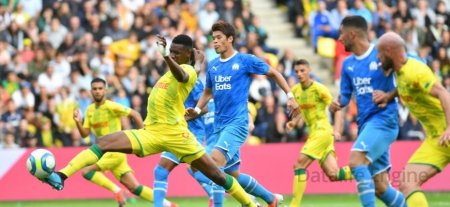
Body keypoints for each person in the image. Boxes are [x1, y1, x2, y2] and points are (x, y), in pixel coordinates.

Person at [39, 34, 259, 207]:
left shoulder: (188, 72)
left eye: (177, 53)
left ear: (187, 55)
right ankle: (61, 175)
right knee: (103, 143)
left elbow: (185, 75)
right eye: (171, 51)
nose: (172, 55)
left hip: (177, 135)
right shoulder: (174, 73)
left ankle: (249, 203)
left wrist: (166, 56)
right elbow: (186, 69)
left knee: (218, 175)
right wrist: (193, 59)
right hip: (151, 132)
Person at [186, 20, 299, 207]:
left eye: (219, 38)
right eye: (213, 38)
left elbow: (275, 73)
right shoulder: (213, 66)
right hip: (219, 127)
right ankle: (271, 200)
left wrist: (290, 96)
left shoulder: (245, 61)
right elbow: (207, 92)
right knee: (233, 175)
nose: (214, 42)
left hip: (237, 125)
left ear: (230, 39)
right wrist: (197, 110)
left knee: (214, 163)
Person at [329, 16, 405, 207]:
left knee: (356, 161)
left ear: (352, 34)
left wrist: (389, 94)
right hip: (366, 127)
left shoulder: (381, 54)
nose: (339, 38)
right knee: (381, 188)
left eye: (341, 33)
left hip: (384, 121)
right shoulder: (347, 64)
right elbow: (345, 96)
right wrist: (336, 103)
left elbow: (409, 72)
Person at [73, 77, 176, 207]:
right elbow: (85, 134)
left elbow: (135, 114)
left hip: (114, 151)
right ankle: (169, 205)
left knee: (86, 171)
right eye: (94, 89)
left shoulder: (111, 106)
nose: (97, 91)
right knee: (134, 187)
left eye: (100, 88)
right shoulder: (89, 110)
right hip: (107, 153)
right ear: (91, 91)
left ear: (105, 90)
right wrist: (77, 122)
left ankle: (118, 191)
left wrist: (143, 135)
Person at [375, 32, 450, 207]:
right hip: (437, 140)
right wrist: (388, 96)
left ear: (389, 51)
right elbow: (404, 87)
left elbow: (443, 93)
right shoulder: (400, 72)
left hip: (447, 131)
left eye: (379, 53)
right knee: (407, 183)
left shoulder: (415, 70)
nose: (378, 58)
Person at [287, 59, 352, 207]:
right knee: (334, 174)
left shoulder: (319, 89)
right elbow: (300, 111)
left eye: (302, 70)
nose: (299, 74)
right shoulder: (296, 90)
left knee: (299, 165)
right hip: (315, 134)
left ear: (309, 70)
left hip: (322, 131)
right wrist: (294, 122)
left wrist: (337, 129)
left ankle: (294, 205)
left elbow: (337, 107)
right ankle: (366, 171)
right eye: (297, 71)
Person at [152, 53, 215, 207]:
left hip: (189, 133)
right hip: (178, 132)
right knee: (197, 171)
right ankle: (220, 193)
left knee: (163, 171)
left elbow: (204, 107)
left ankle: (233, 192)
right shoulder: (175, 80)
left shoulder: (194, 83)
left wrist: (183, 119)